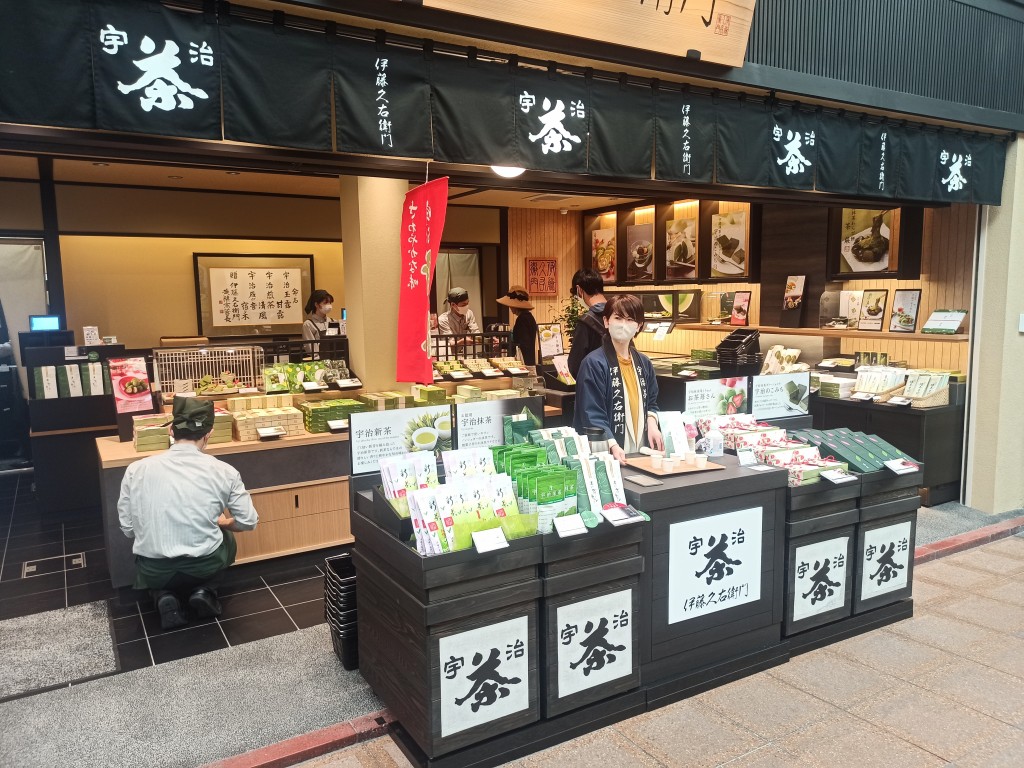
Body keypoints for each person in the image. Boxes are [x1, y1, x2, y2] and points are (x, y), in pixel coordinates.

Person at [117, 398, 259, 630]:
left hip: (153, 570)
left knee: (150, 555)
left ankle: (162, 595)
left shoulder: (136, 469)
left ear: (171, 430)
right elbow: (248, 522)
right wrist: (223, 523)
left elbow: (127, 528)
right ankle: (205, 591)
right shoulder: (225, 471)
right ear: (209, 433)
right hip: (203, 566)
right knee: (227, 537)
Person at [574, 293, 664, 464]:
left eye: (631, 320)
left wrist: (652, 424)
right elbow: (592, 412)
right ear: (606, 322)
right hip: (609, 454)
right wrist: (612, 444)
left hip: (639, 452)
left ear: (639, 326)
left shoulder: (643, 362)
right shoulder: (594, 364)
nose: (624, 325)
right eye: (618, 318)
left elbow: (652, 402)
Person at [567, 269, 608, 379]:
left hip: (595, 386)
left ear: (579, 290)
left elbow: (575, 367)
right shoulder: (619, 313)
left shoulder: (586, 321)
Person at [496, 285, 538, 366]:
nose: (509, 307)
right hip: (529, 361)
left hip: (524, 363)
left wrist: (502, 345)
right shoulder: (528, 317)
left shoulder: (522, 319)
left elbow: (521, 344)